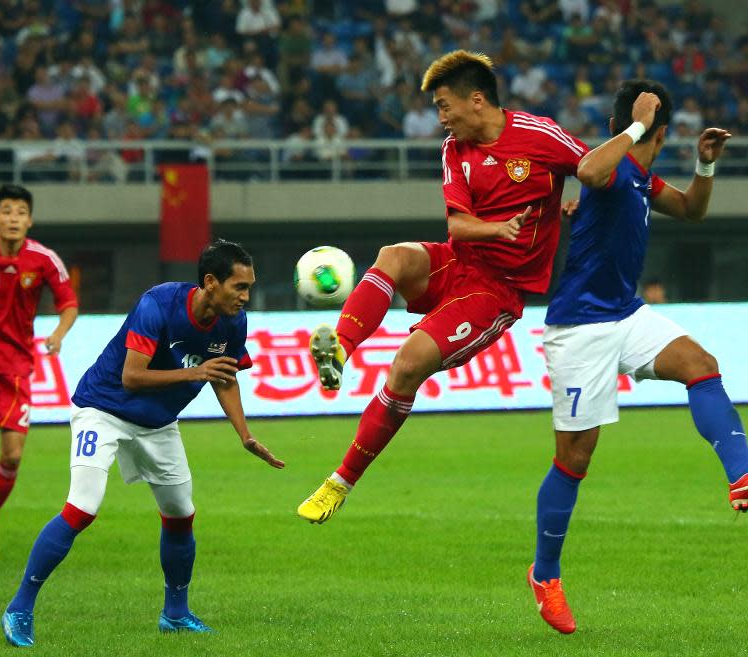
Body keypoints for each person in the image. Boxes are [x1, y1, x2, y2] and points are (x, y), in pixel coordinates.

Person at [297, 50, 588, 523]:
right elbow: (458, 228)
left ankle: (338, 484)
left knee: (407, 365)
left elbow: (595, 169)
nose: (440, 117)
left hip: (497, 292)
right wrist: (497, 229)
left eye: (444, 105)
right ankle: (340, 351)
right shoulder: (455, 148)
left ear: (476, 100)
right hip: (460, 260)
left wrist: (586, 203)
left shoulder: (539, 135)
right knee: (393, 255)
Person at [527, 80, 741, 634]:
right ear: (659, 130)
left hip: (626, 314)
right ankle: (544, 574)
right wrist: (636, 127)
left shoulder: (641, 177)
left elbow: (692, 210)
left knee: (702, 364)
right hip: (577, 328)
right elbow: (592, 173)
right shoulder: (613, 164)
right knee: (575, 458)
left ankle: (742, 476)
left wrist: (707, 165)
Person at [1, 240, 284, 647]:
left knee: (180, 513)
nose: (245, 296)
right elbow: (133, 376)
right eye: (239, 287)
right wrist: (194, 374)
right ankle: (19, 608)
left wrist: (245, 435)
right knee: (82, 506)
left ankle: (176, 613)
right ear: (210, 282)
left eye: (249, 287)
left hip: (157, 424)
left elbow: (224, 375)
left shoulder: (233, 322)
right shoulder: (159, 304)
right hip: (103, 408)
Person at [0, 184, 78, 562]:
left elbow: (68, 304)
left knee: (12, 457)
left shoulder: (43, 259)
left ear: (30, 220)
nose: (13, 218)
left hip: (15, 369)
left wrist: (58, 333)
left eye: (20, 212)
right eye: (6, 211)